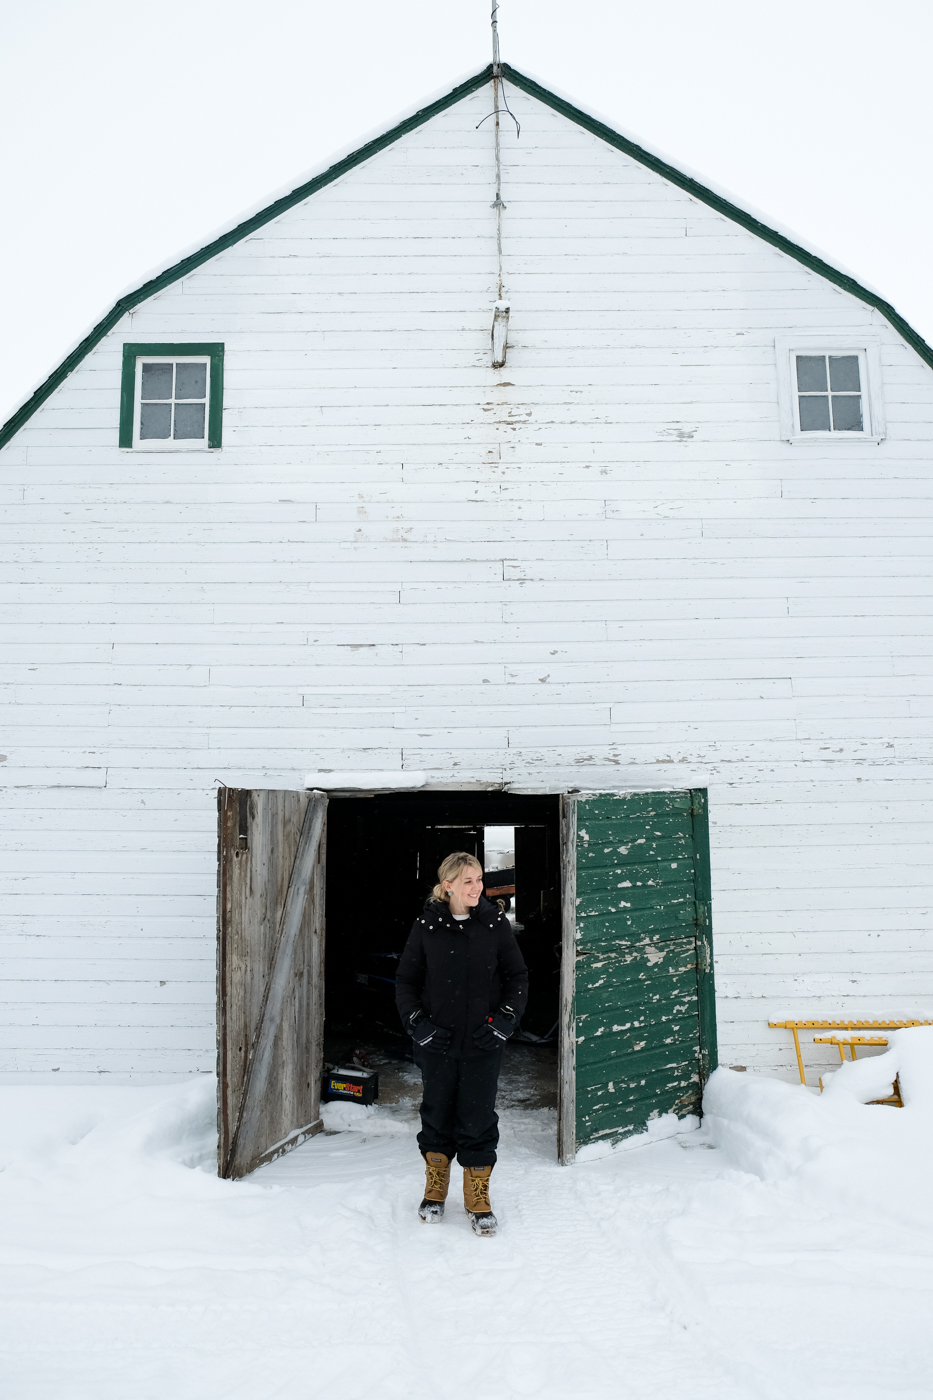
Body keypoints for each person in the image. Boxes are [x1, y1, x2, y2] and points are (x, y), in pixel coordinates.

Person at [395, 851, 528, 1237]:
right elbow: (406, 981)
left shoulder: (494, 925)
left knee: (478, 1115)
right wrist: (417, 1023)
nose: (477, 887)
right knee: (436, 1112)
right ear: (448, 884)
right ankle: (435, 1189)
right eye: (468, 880)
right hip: (436, 1042)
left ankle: (478, 1197)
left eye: (480, 879)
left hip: (483, 1042)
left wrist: (505, 1021)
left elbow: (517, 976)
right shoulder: (427, 926)